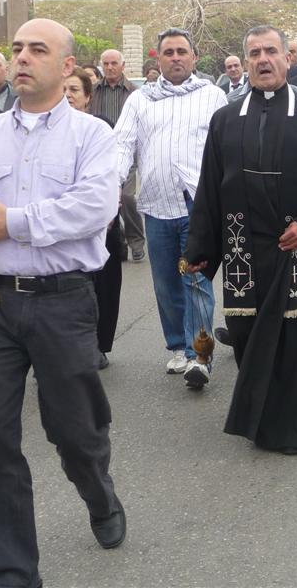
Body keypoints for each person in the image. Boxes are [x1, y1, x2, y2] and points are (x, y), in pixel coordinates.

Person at [0, 18, 126, 587]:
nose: (21, 57)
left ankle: (99, 493)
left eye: (37, 49)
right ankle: (11, 573)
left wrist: (10, 223)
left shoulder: (93, 135)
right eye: (16, 48)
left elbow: (95, 207)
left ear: (66, 67)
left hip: (63, 302)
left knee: (76, 433)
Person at [184, 25, 297, 453]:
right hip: (245, 248)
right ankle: (263, 422)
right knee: (246, 331)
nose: (263, 60)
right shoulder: (225, 120)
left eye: (271, 51)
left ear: (286, 58)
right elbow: (210, 186)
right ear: (246, 62)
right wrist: (199, 247)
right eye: (254, 53)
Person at [115, 27, 227, 383]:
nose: (176, 58)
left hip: (198, 205)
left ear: (194, 57)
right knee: (166, 283)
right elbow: (123, 145)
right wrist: (111, 185)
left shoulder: (212, 96)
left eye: (182, 51)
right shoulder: (140, 100)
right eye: (169, 52)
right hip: (156, 204)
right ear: (158, 59)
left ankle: (200, 356)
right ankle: (178, 347)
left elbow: (226, 148)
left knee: (196, 281)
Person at [65, 67, 123, 369]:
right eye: (63, 90)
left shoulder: (101, 127)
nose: (67, 95)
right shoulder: (47, 131)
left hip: (102, 219)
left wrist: (110, 208)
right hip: (62, 222)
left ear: (88, 96)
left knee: (103, 285)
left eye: (74, 90)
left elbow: (113, 172)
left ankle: (99, 345)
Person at [92, 48, 145, 262]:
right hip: (99, 153)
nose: (110, 67)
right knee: (106, 198)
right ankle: (118, 241)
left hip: (128, 153)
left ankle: (136, 241)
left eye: (114, 63)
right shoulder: (94, 91)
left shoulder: (135, 93)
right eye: (106, 64)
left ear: (123, 66)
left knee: (127, 197)